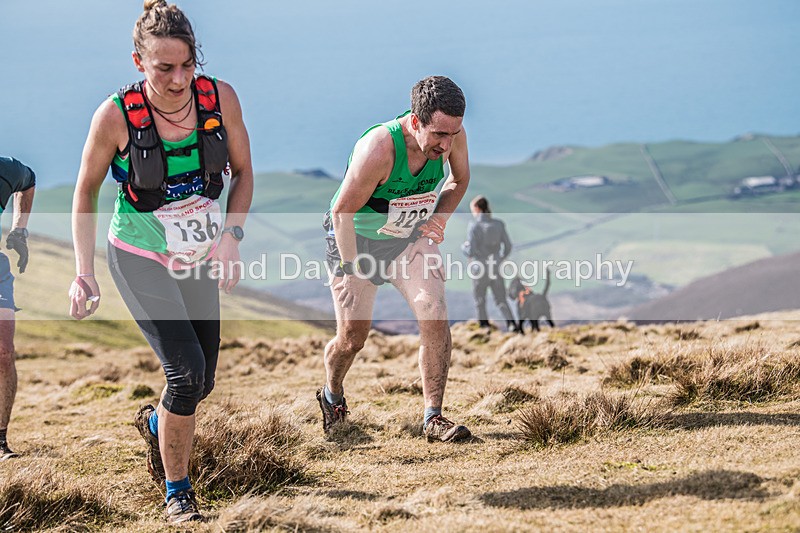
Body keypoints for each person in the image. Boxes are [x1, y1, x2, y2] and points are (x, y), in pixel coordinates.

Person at [68, 0, 253, 524]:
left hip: (197, 255)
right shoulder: (115, 115)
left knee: (201, 382)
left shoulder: (221, 99)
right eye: (163, 68)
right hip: (139, 253)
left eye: (187, 65)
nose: (178, 80)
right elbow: (84, 193)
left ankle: (156, 425)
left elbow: (243, 172)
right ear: (137, 62)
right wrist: (84, 272)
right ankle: (178, 493)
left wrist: (232, 237)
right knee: (186, 370)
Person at [319, 76, 472, 443]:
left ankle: (433, 417)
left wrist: (438, 219)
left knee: (433, 310)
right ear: (416, 122)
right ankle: (332, 394)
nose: (446, 144)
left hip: (406, 241)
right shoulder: (379, 148)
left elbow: (459, 180)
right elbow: (342, 212)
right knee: (353, 337)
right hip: (354, 241)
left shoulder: (451, 135)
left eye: (453, 134)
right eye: (438, 135)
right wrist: (353, 268)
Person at [0, 156, 35, 461]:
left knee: (3, 353)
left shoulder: (4, 169)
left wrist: (18, 230)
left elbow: (28, 179)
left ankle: (0, 442)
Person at [461, 195, 520, 333]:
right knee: (501, 299)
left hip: (480, 267)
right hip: (496, 265)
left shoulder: (474, 226)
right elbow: (508, 246)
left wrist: (463, 247)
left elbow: (471, 250)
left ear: (477, 209)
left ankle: (484, 327)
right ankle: (512, 325)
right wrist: (501, 258)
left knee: (480, 299)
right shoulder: (499, 224)